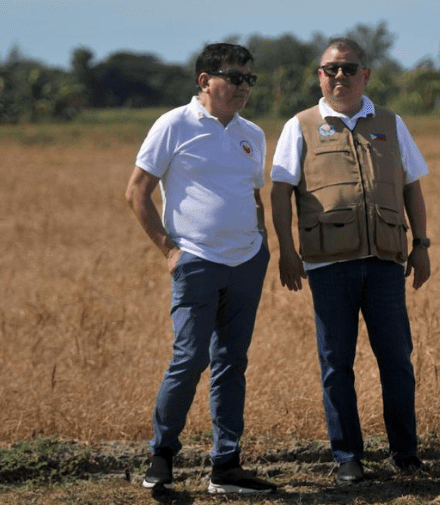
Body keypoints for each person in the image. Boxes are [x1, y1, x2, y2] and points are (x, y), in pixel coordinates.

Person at [270, 37, 431, 485]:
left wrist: (421, 245)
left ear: (366, 75)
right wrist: (286, 250)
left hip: (384, 262)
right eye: (330, 69)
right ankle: (347, 457)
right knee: (336, 362)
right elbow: (281, 191)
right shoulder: (300, 125)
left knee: (396, 359)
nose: (339, 76)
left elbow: (412, 186)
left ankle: (406, 453)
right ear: (319, 76)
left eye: (348, 68)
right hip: (327, 264)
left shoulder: (391, 123)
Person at [125, 43, 276, 495]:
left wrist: (263, 243)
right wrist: (171, 252)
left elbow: (253, 196)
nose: (244, 87)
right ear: (205, 79)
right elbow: (137, 192)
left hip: (247, 261)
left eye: (250, 79)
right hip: (196, 261)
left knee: (233, 363)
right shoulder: (173, 124)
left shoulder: (253, 133)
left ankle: (225, 466)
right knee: (190, 358)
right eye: (234, 77)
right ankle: (162, 456)